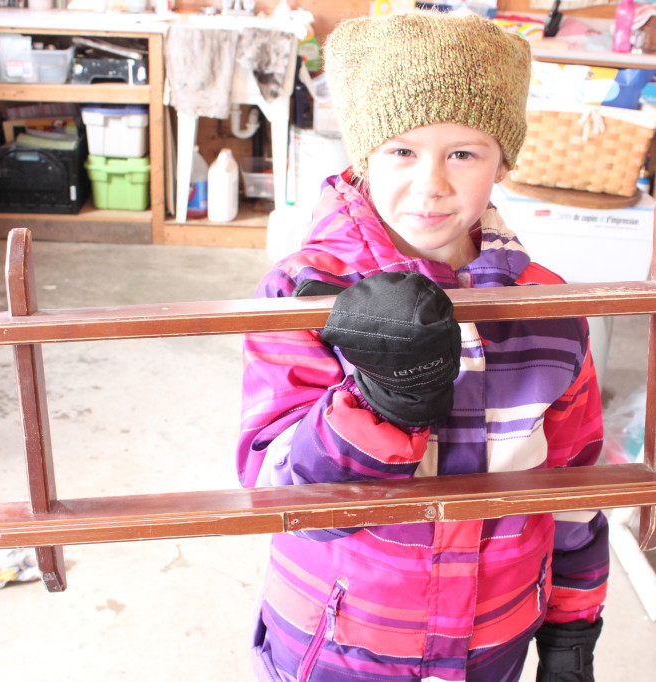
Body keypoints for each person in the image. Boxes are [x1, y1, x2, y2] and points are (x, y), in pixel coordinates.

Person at [237, 10, 607, 682]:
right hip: (343, 643)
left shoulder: (548, 309)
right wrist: (382, 404)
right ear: (364, 155)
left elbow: (576, 483)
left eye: (463, 153)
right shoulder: (306, 292)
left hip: (492, 641)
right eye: (401, 151)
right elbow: (278, 497)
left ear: (502, 159)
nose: (431, 182)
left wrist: (573, 630)